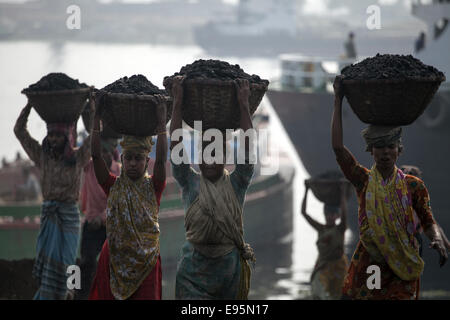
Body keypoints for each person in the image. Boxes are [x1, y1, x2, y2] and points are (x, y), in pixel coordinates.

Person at [331, 76, 448, 300]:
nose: (385, 152)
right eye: (380, 147)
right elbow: (337, 148)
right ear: (371, 151)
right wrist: (338, 99)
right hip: (371, 262)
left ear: (399, 150)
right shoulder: (363, 180)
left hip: (404, 262)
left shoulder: (414, 186)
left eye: (390, 147)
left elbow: (427, 220)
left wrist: (436, 239)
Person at [170, 76, 255, 300]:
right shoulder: (190, 182)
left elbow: (248, 153)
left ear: (226, 157)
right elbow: (176, 149)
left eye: (215, 154)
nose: (208, 160)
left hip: (229, 275)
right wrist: (177, 104)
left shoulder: (236, 184)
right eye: (204, 153)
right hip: (192, 276)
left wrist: (244, 105)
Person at [13, 94, 95, 300]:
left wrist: (92, 107)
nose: (53, 140)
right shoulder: (43, 157)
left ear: (66, 137)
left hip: (69, 217)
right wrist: (29, 106)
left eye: (58, 136)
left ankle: (70, 294)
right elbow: (19, 131)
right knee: (47, 264)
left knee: (69, 261)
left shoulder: (77, 158)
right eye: (51, 136)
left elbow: (96, 137)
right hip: (49, 216)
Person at [88, 93, 167, 300]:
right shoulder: (112, 185)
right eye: (129, 158)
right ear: (122, 158)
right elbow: (95, 156)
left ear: (146, 160)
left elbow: (160, 161)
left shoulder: (154, 187)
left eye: (138, 158)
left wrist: (161, 123)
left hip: (147, 262)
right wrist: (96, 118)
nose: (133, 163)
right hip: (114, 262)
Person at [75, 138, 121, 300]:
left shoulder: (119, 172)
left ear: (111, 154)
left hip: (112, 226)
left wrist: (102, 218)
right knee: (85, 263)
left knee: (114, 265)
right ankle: (77, 295)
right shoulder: (89, 167)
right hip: (91, 225)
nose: (102, 156)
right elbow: (77, 153)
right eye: (99, 152)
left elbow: (118, 204)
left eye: (106, 152)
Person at [301, 181, 349, 300]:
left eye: (333, 214)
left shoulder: (340, 228)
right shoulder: (320, 228)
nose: (330, 216)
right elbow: (304, 213)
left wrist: (342, 193)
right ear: (324, 213)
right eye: (328, 213)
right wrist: (306, 190)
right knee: (319, 288)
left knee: (340, 295)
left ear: (337, 216)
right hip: (324, 265)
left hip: (339, 268)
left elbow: (344, 214)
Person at [400, 165, 450, 256]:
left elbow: (433, 223)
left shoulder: (419, 199)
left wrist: (444, 243)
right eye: (406, 173)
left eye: (411, 174)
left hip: (413, 239)